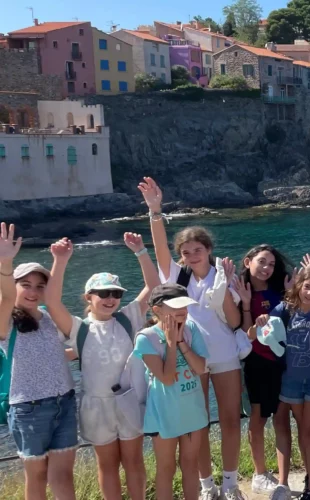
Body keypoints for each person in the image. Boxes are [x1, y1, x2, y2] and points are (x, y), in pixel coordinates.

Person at [138, 177, 247, 500]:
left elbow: (235, 321)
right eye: (186, 252)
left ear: (208, 250)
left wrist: (223, 291)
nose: (192, 256)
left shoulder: (225, 274)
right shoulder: (178, 276)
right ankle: (206, 484)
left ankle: (230, 483)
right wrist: (155, 210)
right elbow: (160, 249)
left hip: (224, 354)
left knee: (230, 419)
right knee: (198, 425)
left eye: (197, 250)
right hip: (190, 357)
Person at [44, 233, 158, 500]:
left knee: (134, 461)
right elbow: (51, 302)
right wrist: (60, 260)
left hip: (129, 399)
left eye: (116, 293)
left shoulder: (128, 318)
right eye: (103, 293)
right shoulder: (78, 328)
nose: (110, 298)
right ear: (88, 297)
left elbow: (154, 287)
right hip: (96, 405)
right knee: (107, 465)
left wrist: (141, 252)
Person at [0, 225, 78, 500]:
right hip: (29, 408)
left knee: (63, 476)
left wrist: (60, 260)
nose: (33, 292)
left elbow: (57, 354)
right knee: (36, 477)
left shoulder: (48, 317)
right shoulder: (6, 322)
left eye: (39, 286)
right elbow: (6, 298)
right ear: (14, 286)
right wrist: (5, 263)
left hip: (65, 402)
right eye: (26, 285)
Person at [248, 264, 310, 500]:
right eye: (307, 287)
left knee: (309, 432)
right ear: (299, 285)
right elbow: (252, 336)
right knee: (301, 431)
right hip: (291, 380)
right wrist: (259, 323)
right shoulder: (284, 309)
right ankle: (307, 480)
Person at [135, 283, 211, 500]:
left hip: (192, 410)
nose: (183, 311)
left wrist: (180, 342)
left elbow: (200, 368)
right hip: (164, 414)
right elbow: (167, 378)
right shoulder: (146, 338)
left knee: (190, 464)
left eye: (185, 306)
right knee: (166, 468)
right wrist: (170, 344)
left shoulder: (191, 329)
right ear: (157, 310)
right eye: (177, 307)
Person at [232, 244, 292, 498]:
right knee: (258, 418)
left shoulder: (280, 289)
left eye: (272, 264)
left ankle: (282, 479)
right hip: (257, 363)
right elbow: (247, 335)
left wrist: (293, 295)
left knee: (281, 418)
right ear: (248, 262)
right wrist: (246, 304)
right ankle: (260, 474)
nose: (267, 268)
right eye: (262, 262)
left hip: (284, 361)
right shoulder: (238, 292)